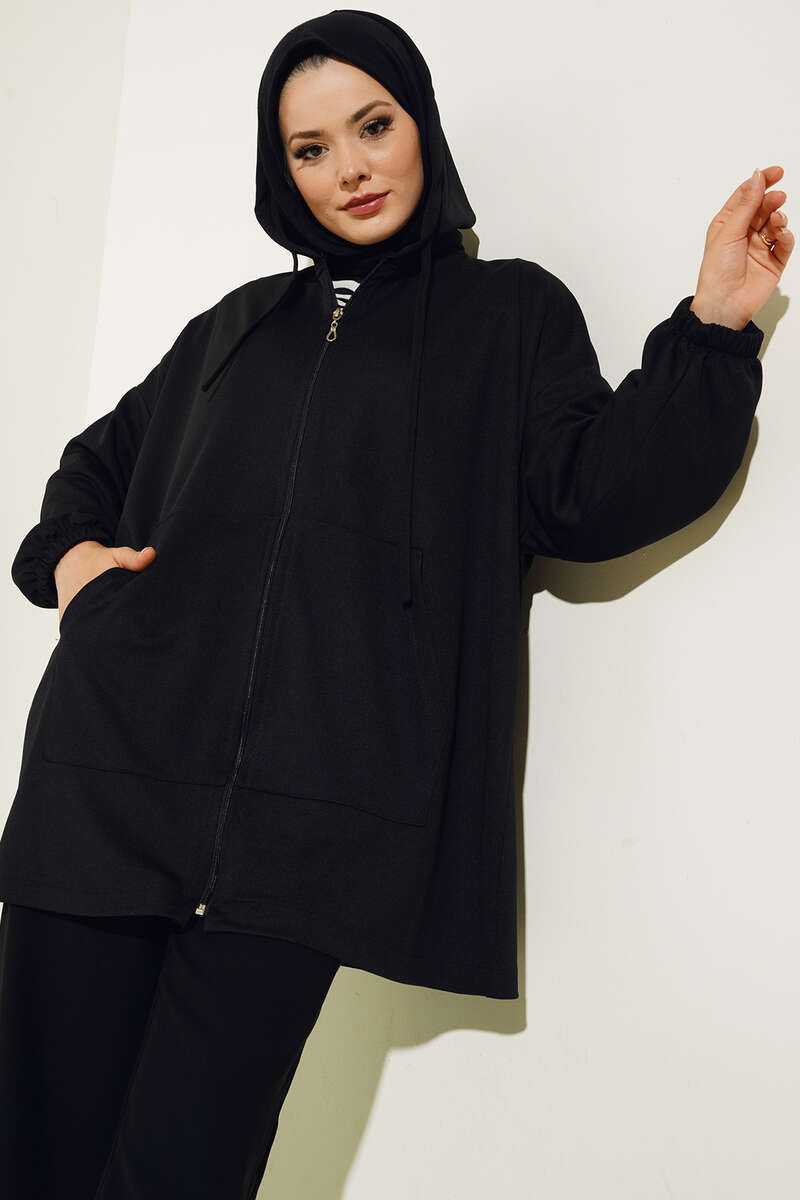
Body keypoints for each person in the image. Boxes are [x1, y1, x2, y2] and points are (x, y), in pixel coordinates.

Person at [0, 7, 793, 1197]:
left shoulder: (509, 317)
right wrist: (71, 566)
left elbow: (589, 494)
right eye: (309, 149)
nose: (349, 168)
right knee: (35, 1162)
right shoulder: (232, 331)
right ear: (282, 172)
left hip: (311, 833)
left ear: (420, 123)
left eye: (372, 126)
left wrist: (714, 327)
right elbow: (89, 470)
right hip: (103, 791)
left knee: (181, 1171)